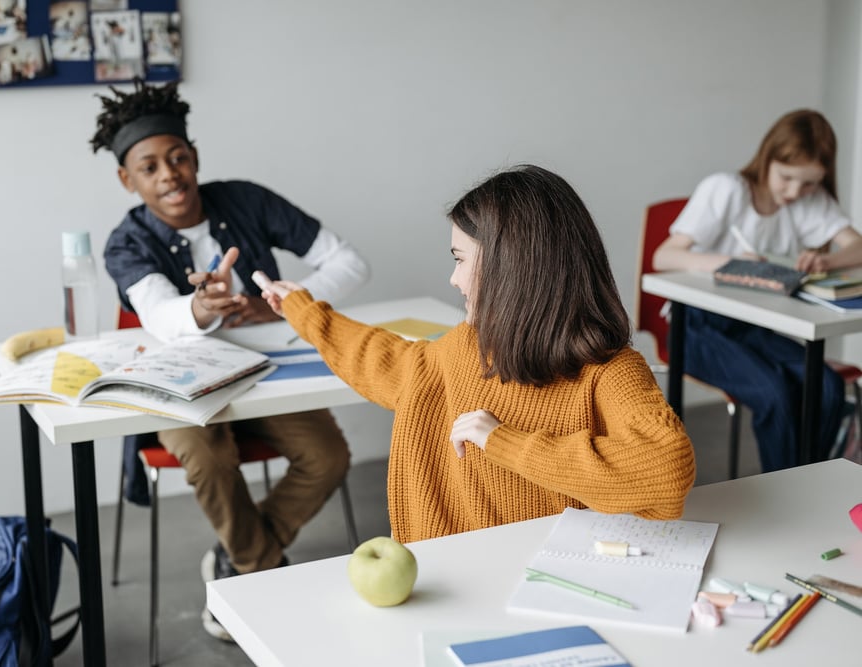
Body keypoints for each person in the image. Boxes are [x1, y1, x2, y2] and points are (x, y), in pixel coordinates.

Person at [255, 164, 696, 544]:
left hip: (561, 579)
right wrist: (304, 310)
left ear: (512, 268)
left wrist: (503, 441)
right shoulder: (466, 349)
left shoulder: (611, 372)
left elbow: (667, 470)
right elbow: (384, 360)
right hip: (462, 575)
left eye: (461, 259)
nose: (453, 279)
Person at [90, 78, 370, 641]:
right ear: (128, 179)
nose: (169, 174)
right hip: (179, 389)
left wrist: (286, 307)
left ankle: (236, 557)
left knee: (329, 455)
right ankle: (259, 573)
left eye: (178, 158)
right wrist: (197, 306)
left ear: (194, 158)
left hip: (263, 375)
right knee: (207, 455)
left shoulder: (246, 199)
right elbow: (159, 315)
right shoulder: (125, 243)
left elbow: (350, 263)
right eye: (150, 167)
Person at [653, 109, 862, 472]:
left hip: (753, 327)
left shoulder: (809, 200)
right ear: (768, 158)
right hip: (697, 329)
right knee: (775, 395)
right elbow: (664, 256)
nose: (796, 192)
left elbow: (857, 247)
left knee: (827, 387)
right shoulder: (728, 189)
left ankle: (806, 483)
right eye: (787, 178)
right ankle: (788, 491)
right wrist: (731, 263)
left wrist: (827, 260)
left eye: (810, 182)